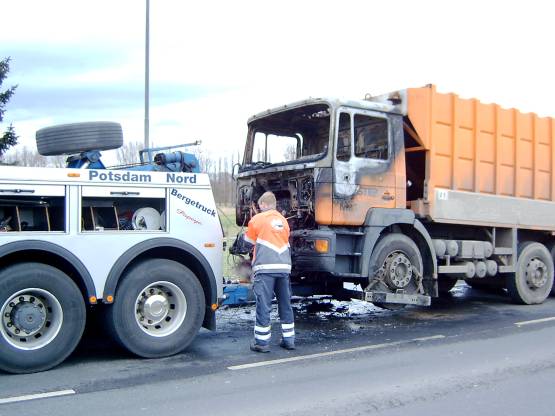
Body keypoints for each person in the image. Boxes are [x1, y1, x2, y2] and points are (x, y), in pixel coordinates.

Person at [242, 191, 295, 352]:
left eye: (259, 206)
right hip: (284, 268)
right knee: (285, 304)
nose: (258, 209)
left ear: (264, 205)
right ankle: (289, 340)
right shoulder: (283, 221)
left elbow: (248, 243)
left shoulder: (258, 219)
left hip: (265, 269)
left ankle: (262, 343)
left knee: (264, 305)